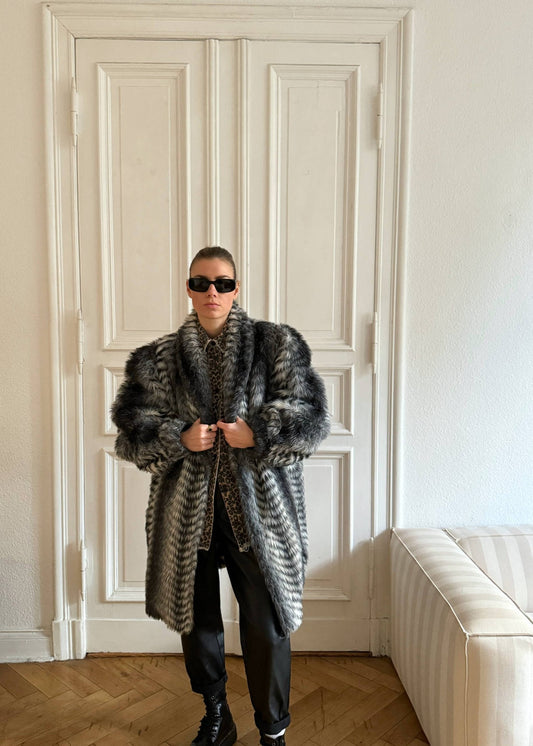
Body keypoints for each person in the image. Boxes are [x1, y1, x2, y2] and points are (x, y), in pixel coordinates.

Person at [111, 246, 330, 746]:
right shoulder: (157, 360)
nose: (213, 292)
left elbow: (311, 417)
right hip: (188, 514)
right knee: (198, 621)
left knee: (266, 623)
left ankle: (272, 731)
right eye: (202, 283)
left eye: (223, 283)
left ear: (236, 288)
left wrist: (260, 431)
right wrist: (177, 437)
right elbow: (131, 433)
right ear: (188, 289)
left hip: (259, 515)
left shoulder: (275, 345)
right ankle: (217, 715)